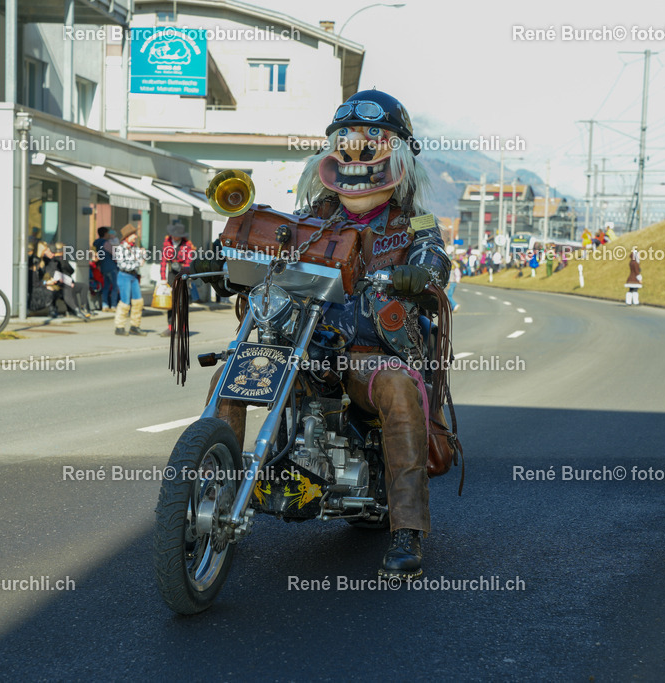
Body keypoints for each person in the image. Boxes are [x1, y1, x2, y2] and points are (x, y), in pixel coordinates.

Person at [195, 89, 454, 580]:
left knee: (398, 387)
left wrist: (421, 272)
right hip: (304, 345)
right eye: (346, 140)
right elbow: (265, 254)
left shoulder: (414, 218)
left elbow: (434, 255)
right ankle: (220, 497)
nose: (357, 152)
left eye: (372, 141)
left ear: (398, 153)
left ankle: (407, 529)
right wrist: (221, 264)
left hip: (368, 353)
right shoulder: (309, 216)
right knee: (230, 377)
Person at [160, 220, 195, 337]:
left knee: (182, 304)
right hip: (171, 275)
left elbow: (188, 263)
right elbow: (163, 261)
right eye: (173, 235)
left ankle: (182, 329)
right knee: (171, 302)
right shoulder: (167, 242)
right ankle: (171, 327)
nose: (174, 237)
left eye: (176, 235)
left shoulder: (187, 245)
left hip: (183, 275)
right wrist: (163, 278)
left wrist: (184, 275)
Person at [113, 223, 147, 335]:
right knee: (125, 302)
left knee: (138, 302)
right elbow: (123, 265)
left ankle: (135, 326)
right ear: (127, 236)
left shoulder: (134, 247)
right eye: (133, 234)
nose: (136, 236)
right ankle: (119, 327)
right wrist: (138, 263)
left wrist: (143, 254)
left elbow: (140, 260)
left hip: (133, 276)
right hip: (124, 276)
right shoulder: (120, 248)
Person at [43, 243, 92, 320]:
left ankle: (78, 309)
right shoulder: (52, 261)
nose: (53, 254)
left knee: (74, 287)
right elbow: (44, 278)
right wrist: (46, 283)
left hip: (59, 282)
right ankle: (77, 310)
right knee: (69, 288)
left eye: (54, 252)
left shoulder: (54, 261)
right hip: (50, 284)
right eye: (51, 252)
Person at [92, 227, 119, 311]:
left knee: (106, 287)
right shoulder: (105, 243)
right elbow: (114, 254)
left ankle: (105, 305)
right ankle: (114, 305)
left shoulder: (96, 243)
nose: (108, 235)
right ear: (105, 233)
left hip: (103, 267)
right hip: (111, 266)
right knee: (115, 286)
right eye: (107, 233)